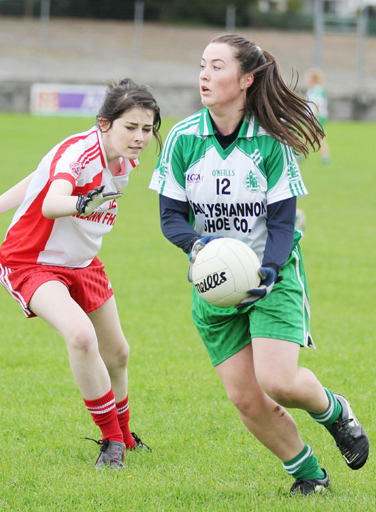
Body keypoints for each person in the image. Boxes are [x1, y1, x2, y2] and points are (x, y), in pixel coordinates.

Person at [149, 34, 369, 495]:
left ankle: (334, 412)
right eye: (202, 66)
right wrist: (198, 246)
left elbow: (284, 222)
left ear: (247, 79)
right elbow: (170, 217)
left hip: (273, 275)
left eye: (217, 67)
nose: (204, 76)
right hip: (212, 281)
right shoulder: (183, 138)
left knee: (278, 381)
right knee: (246, 398)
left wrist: (268, 269)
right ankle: (310, 477)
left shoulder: (270, 142)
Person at [0, 78, 162, 469]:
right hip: (31, 261)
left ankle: (125, 436)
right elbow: (54, 201)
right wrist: (83, 201)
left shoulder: (124, 157)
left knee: (118, 353)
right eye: (131, 127)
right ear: (103, 123)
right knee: (80, 336)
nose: (140, 137)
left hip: (82, 262)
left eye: (147, 128)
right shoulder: (81, 153)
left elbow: (39, 176)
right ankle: (111, 442)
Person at [305, 67, 331, 164]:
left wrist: (313, 116)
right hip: (313, 117)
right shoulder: (311, 90)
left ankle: (326, 158)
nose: (306, 80)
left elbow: (318, 104)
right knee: (308, 135)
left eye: (308, 78)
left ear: (313, 79)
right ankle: (301, 155)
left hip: (317, 117)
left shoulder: (318, 90)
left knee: (319, 137)